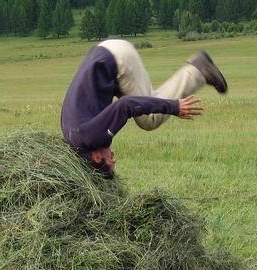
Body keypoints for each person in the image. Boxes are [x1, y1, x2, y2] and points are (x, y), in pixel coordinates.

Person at [60, 39, 228, 176]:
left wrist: (174, 107)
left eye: (111, 164)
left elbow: (125, 105)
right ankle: (197, 70)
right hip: (104, 53)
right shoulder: (75, 138)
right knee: (145, 104)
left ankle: (198, 71)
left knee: (149, 119)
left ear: (96, 157)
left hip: (118, 60)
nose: (114, 159)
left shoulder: (93, 138)